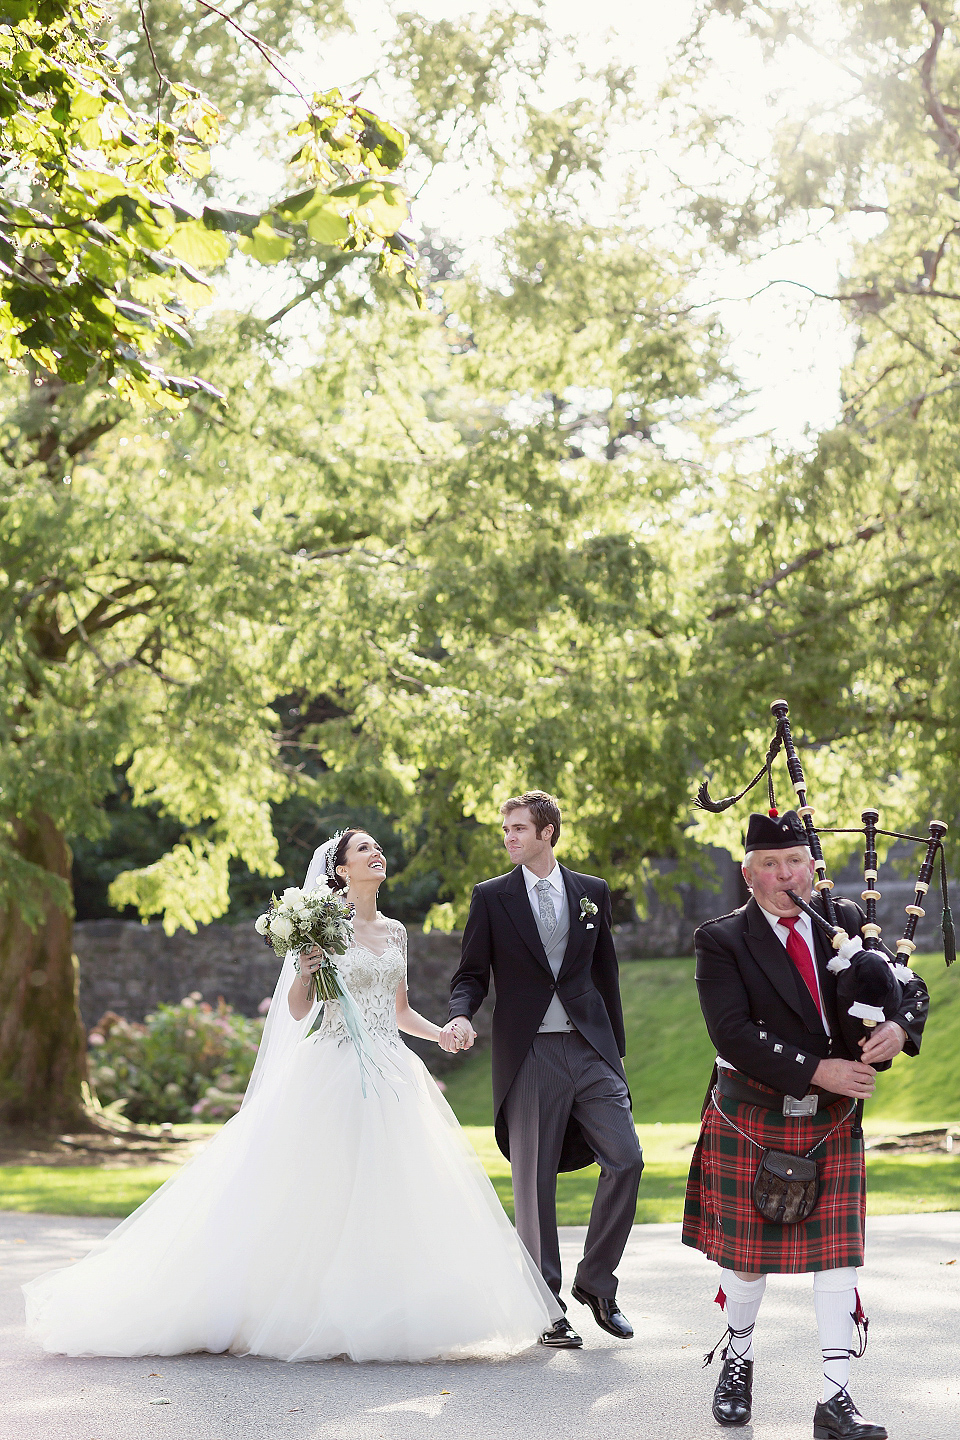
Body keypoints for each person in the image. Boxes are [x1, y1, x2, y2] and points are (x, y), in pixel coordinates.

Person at [24, 829, 561, 1362]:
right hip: (330, 1066)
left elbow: (397, 1013)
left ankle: (387, 1304)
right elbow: (300, 1010)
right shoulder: (321, 928)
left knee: (392, 1188)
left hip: (391, 1070)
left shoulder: (396, 931)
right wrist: (305, 970)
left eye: (377, 848)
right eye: (364, 850)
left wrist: (442, 1032)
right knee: (319, 1189)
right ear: (343, 870)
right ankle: (302, 1308)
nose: (377, 854)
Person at [682, 810, 929, 1439]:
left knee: (836, 1260)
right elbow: (731, 1033)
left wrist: (900, 1028)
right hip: (755, 1114)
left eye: (796, 861)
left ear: (812, 868)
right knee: (745, 1261)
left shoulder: (847, 921)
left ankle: (835, 1396)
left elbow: (907, 986)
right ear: (748, 873)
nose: (786, 874)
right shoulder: (722, 940)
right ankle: (738, 1356)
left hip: (832, 1120)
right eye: (770, 864)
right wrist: (820, 1070)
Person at [441, 791, 644, 1348]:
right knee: (533, 1184)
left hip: (590, 1049)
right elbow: (470, 974)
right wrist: (461, 1015)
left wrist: (615, 1050)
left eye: (519, 829)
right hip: (528, 1053)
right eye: (506, 830)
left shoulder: (591, 893)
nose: (509, 838)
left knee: (627, 1159)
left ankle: (597, 1284)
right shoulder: (491, 898)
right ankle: (545, 1307)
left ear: (548, 832)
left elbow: (607, 973)